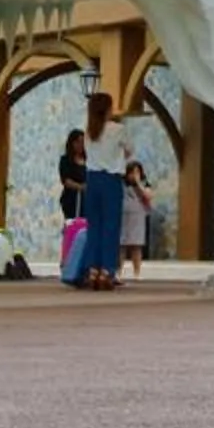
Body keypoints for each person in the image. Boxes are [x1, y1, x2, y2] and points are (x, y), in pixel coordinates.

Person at [79, 93, 131, 292]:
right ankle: (107, 271)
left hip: (92, 180)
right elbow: (130, 149)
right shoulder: (118, 129)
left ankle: (93, 269)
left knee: (94, 226)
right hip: (111, 179)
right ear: (108, 109)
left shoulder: (88, 131)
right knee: (111, 226)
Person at [117, 161, 153, 283]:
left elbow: (148, 196)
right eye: (132, 172)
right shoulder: (121, 183)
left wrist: (138, 183)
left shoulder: (145, 183)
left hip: (138, 216)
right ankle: (119, 272)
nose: (134, 175)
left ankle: (137, 272)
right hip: (123, 216)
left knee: (136, 245)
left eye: (137, 172)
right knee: (121, 245)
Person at [57, 130, 87, 224]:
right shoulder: (65, 160)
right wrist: (81, 187)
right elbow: (66, 180)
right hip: (72, 200)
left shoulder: (89, 161)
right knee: (74, 227)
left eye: (82, 142)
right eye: (77, 142)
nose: (80, 145)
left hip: (87, 201)